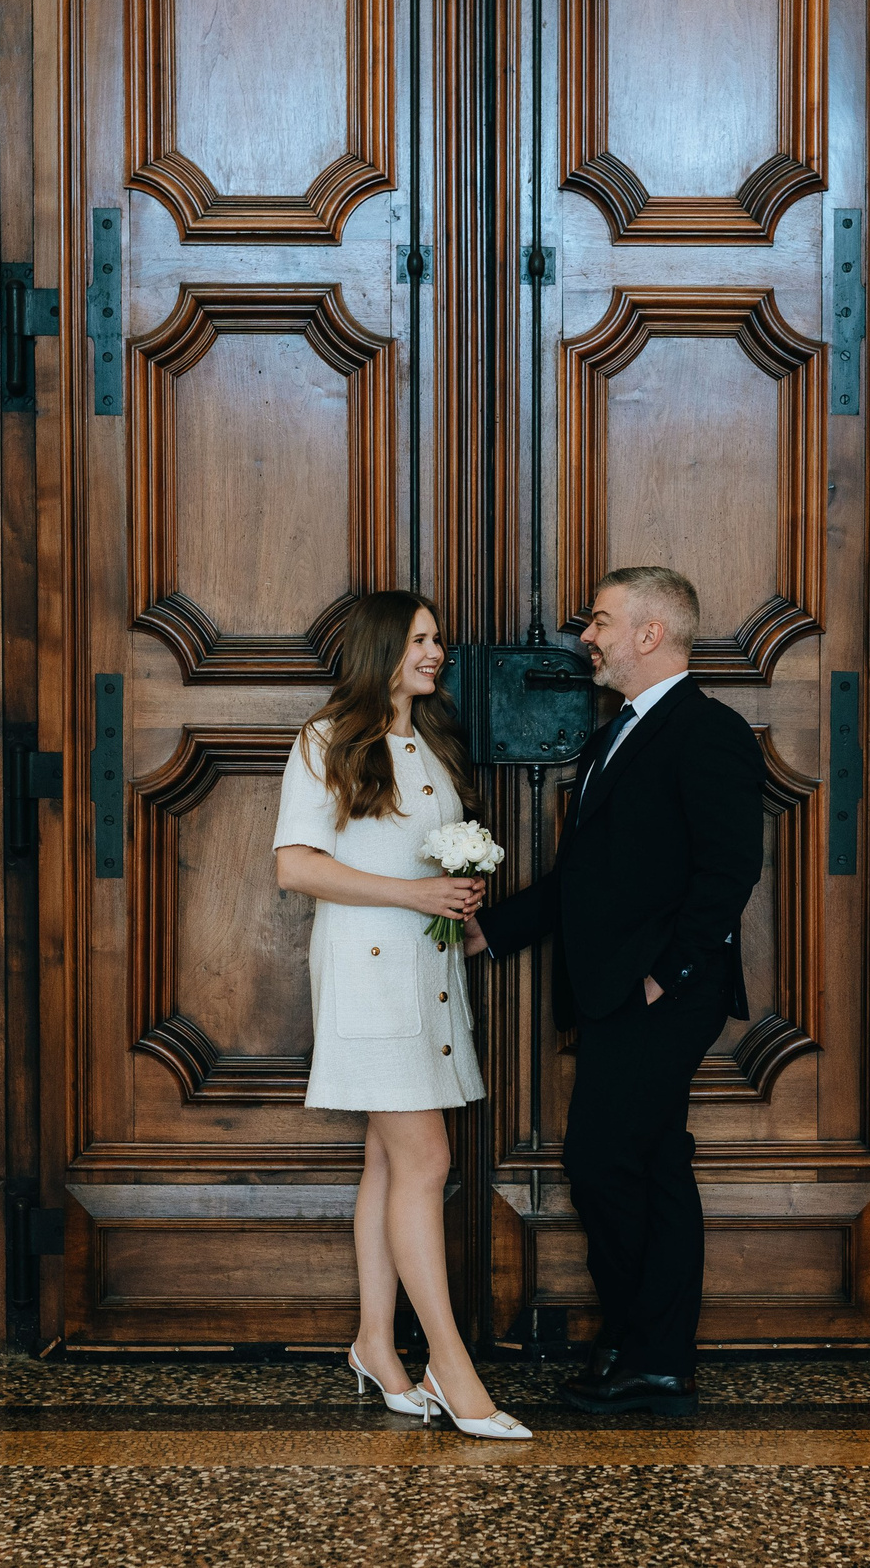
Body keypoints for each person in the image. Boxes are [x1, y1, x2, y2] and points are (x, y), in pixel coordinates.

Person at [466, 566, 764, 1415]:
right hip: (614, 993)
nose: (585, 636)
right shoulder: (615, 735)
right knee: (651, 1163)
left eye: (599, 621)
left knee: (604, 1164)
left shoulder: (708, 732)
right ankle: (649, 1354)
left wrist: (662, 977)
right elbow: (584, 879)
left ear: (650, 633)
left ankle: (650, 1351)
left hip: (662, 995)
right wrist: (492, 930)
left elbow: (730, 868)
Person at [272, 590, 531, 1442]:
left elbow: (410, 853)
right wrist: (415, 890)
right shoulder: (326, 739)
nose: (436, 652)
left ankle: (376, 1345)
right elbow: (296, 867)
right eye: (421, 639)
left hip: (430, 972)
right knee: (427, 1158)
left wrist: (457, 890)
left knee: (389, 1165)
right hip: (367, 977)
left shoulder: (429, 741)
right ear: (383, 645)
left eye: (438, 640)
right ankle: (452, 1369)